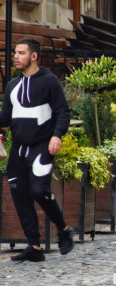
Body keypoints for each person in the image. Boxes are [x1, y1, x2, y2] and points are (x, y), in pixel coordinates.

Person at [0, 38, 75, 262]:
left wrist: (57, 135)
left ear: (34, 56)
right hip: (18, 150)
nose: (15, 56)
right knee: (20, 195)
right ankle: (34, 246)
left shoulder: (50, 81)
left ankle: (63, 229)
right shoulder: (12, 85)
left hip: (42, 146)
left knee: (38, 191)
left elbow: (63, 111)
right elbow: (5, 117)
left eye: (21, 52)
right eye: (15, 52)